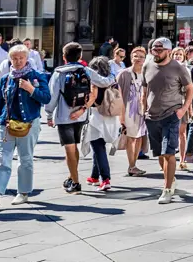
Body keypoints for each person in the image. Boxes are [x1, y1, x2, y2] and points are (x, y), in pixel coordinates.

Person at [0, 44, 49, 210]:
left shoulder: (37, 77)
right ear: (10, 60)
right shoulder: (6, 79)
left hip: (29, 124)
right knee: (2, 159)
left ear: (27, 59)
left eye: (21, 58)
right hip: (5, 124)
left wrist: (31, 89)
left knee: (25, 159)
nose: (18, 61)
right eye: (15, 58)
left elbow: (46, 98)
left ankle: (23, 192)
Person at [45, 42, 110, 194]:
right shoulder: (86, 70)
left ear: (64, 57)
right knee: (74, 146)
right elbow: (104, 82)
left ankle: (75, 182)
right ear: (80, 56)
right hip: (81, 116)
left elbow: (52, 96)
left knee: (69, 148)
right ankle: (71, 175)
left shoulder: (59, 73)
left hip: (64, 115)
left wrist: (49, 114)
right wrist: (112, 73)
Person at [142, 37, 193, 203]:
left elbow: (190, 88)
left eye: (159, 49)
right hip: (151, 115)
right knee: (159, 154)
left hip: (171, 114)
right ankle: (170, 179)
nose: (156, 52)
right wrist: (143, 109)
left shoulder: (178, 68)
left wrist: (183, 110)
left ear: (168, 51)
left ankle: (167, 189)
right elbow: (144, 89)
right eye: (154, 49)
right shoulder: (147, 65)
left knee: (168, 152)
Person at [84, 55, 120, 190]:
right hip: (111, 117)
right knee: (99, 147)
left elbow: (92, 98)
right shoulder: (113, 80)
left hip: (97, 117)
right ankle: (94, 176)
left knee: (98, 147)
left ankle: (105, 179)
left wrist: (83, 108)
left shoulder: (94, 82)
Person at [119, 46, 148, 176]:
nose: (138, 59)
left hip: (142, 109)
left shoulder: (147, 74)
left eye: (141, 57)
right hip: (128, 109)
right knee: (130, 137)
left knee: (140, 136)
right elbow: (117, 94)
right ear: (131, 58)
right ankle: (131, 165)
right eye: (136, 56)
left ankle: (134, 163)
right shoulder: (124, 74)